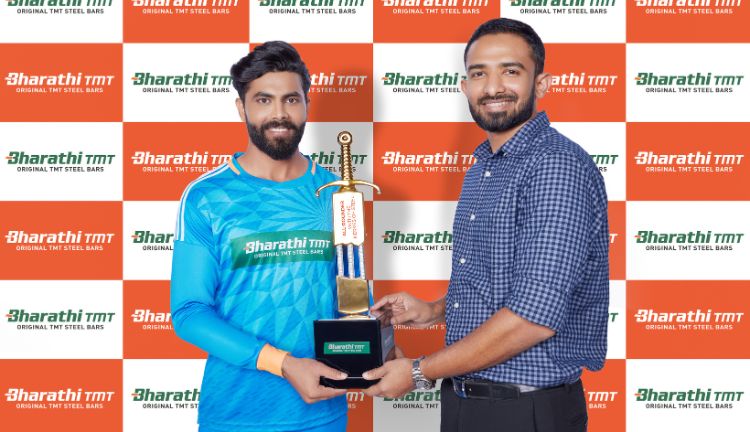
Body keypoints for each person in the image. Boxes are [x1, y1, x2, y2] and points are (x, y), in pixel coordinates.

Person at [363, 18, 609, 432]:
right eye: (479, 74)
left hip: (524, 411)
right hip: (465, 402)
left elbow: (534, 317)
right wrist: (433, 310)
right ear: (465, 87)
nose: (493, 87)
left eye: (510, 71)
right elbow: (503, 284)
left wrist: (419, 371)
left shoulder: (555, 165)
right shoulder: (483, 167)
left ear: (541, 84)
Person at [170, 41, 348, 432]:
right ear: (242, 108)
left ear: (307, 105)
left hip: (323, 413)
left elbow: (348, 296)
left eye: (291, 99)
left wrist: (377, 339)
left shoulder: (336, 192)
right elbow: (189, 313)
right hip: (237, 415)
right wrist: (283, 364)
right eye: (264, 100)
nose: (279, 113)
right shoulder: (206, 196)